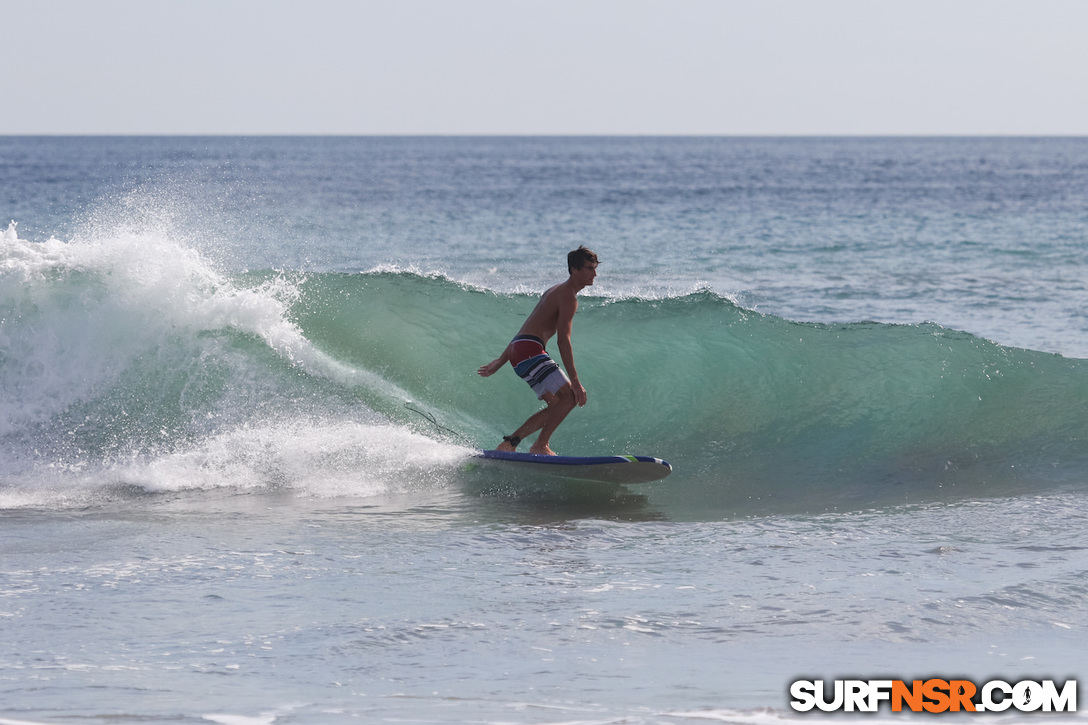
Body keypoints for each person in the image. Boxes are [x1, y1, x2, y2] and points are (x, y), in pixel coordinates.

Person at [477, 246, 598, 455]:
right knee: (570, 396)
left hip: (519, 350)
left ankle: (510, 444)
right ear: (574, 269)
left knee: (557, 405)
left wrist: (502, 359)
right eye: (589, 268)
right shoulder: (568, 296)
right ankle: (540, 445)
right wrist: (576, 381)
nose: (594, 274)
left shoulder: (554, 290)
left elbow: (525, 328)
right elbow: (563, 341)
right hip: (530, 350)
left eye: (595, 268)